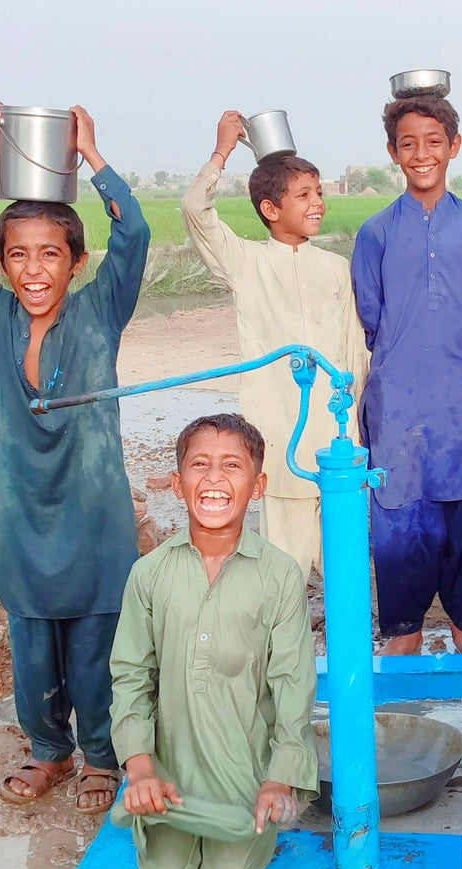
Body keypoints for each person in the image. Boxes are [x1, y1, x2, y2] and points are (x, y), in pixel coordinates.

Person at [0, 102, 150, 813]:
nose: (33, 268)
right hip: (20, 519)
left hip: (94, 519)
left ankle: (101, 758)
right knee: (31, 649)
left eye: (51, 253)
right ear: (2, 263)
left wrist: (92, 153)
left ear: (77, 262)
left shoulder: (100, 310)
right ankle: (49, 752)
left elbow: (134, 232)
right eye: (18, 253)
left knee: (92, 649)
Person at [109, 414, 319, 869]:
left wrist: (280, 779)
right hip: (171, 773)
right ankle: (162, 807)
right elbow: (131, 676)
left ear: (258, 484)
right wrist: (140, 769)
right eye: (199, 465)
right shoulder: (149, 573)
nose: (214, 478)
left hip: (244, 769)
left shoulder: (280, 576)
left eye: (232, 465)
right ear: (179, 484)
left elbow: (293, 682)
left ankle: (257, 806)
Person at [182, 113, 367, 581]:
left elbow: (355, 353)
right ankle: (286, 653)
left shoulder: (334, 268)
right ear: (270, 208)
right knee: (284, 576)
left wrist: (358, 430)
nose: (318, 203)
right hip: (280, 441)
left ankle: (346, 653)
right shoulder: (245, 262)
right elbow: (194, 210)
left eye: (319, 192)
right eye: (304, 195)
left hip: (338, 445)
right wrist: (222, 150)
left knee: (347, 574)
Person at [352, 95, 462, 654]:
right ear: (393, 152)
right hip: (399, 413)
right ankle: (400, 721)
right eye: (408, 143)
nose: (421, 154)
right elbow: (373, 317)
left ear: (454, 148)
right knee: (399, 568)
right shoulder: (376, 232)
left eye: (433, 141)